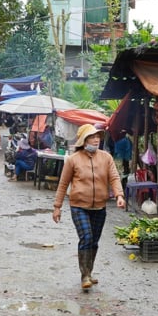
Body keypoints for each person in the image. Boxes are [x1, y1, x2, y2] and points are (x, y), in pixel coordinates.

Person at [52, 124, 126, 289]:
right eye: (92, 137)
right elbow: (63, 184)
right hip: (78, 206)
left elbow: (114, 177)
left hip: (100, 206)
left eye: (98, 137)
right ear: (83, 140)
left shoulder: (106, 157)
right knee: (86, 237)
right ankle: (85, 275)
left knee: (94, 241)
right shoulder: (73, 160)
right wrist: (57, 206)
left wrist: (119, 195)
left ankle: (89, 272)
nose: (96, 139)